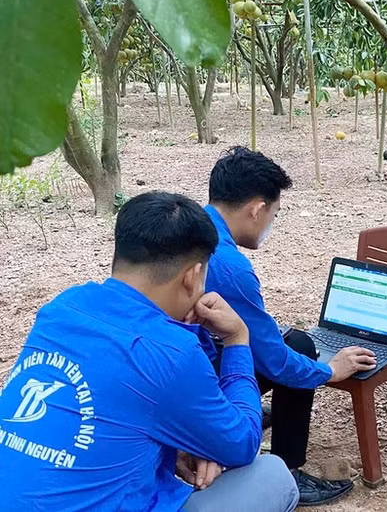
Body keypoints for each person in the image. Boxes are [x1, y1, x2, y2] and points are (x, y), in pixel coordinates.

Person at [0, 192, 299, 512]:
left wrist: (177, 443)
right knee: (274, 476)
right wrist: (238, 339)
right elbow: (241, 444)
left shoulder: (61, 309)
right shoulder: (171, 351)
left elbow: (115, 412)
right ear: (193, 276)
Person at [201, 146, 377, 506]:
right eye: (275, 214)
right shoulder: (230, 267)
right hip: (197, 376)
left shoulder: (195, 226)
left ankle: (255, 410)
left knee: (289, 339)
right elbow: (274, 360)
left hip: (181, 356)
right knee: (298, 348)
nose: (271, 223)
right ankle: (288, 471)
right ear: (256, 209)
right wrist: (329, 370)